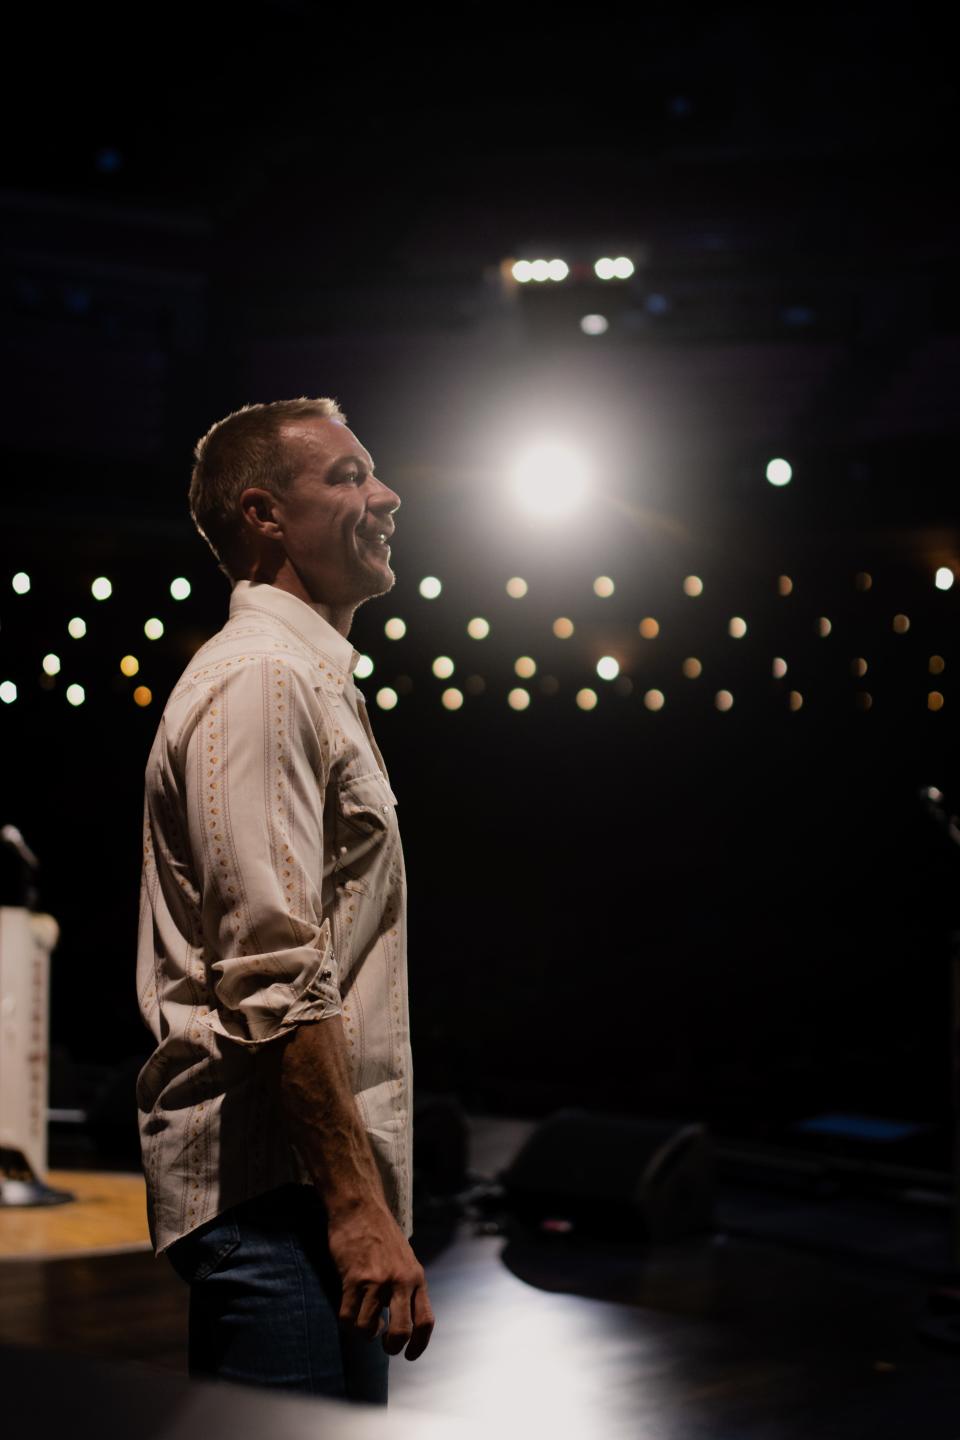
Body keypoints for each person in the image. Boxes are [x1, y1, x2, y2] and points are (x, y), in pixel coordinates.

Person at [136, 397, 434, 1404]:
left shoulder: (305, 675)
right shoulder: (263, 678)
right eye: (347, 478)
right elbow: (271, 972)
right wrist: (355, 1209)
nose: (385, 495)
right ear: (266, 516)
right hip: (280, 1207)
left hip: (298, 1202)